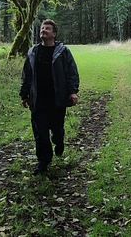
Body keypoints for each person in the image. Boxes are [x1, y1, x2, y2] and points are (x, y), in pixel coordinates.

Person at [19, 19, 80, 175]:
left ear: (54, 33)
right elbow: (27, 75)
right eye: (42, 28)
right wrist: (24, 94)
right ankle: (43, 162)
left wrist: (73, 91)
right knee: (40, 133)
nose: (43, 30)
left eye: (47, 29)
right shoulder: (33, 52)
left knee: (57, 129)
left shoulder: (63, 52)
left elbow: (72, 72)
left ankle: (59, 142)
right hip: (38, 100)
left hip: (57, 100)